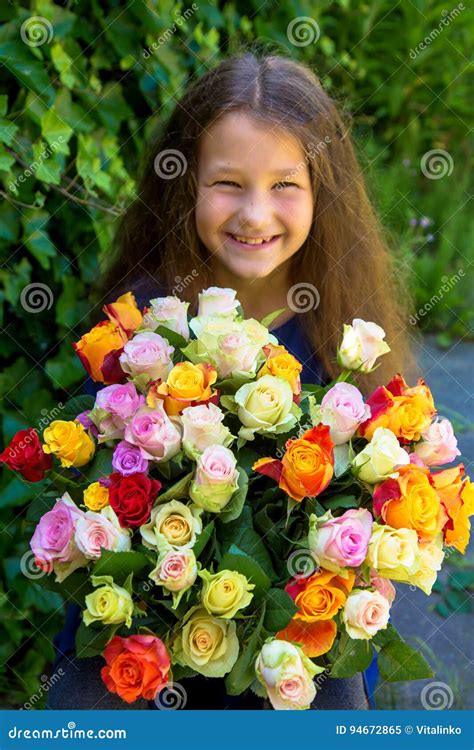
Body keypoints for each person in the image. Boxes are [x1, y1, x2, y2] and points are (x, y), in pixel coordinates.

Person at [47, 49, 416, 710]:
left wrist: (377, 567)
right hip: (141, 630)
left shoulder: (345, 333)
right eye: (227, 183)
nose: (254, 214)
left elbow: (387, 492)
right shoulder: (143, 327)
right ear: (185, 184)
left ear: (320, 192)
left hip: (296, 647)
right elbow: (94, 484)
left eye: (284, 184)